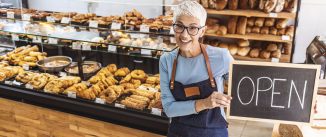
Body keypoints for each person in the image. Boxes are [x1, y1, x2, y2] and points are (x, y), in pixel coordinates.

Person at [159, 1, 233, 137]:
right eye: (179, 26)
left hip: (213, 132)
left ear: (202, 31)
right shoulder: (166, 61)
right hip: (178, 131)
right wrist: (205, 103)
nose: (184, 35)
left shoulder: (221, 57)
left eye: (192, 28)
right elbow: (169, 108)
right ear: (173, 27)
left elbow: (243, 89)